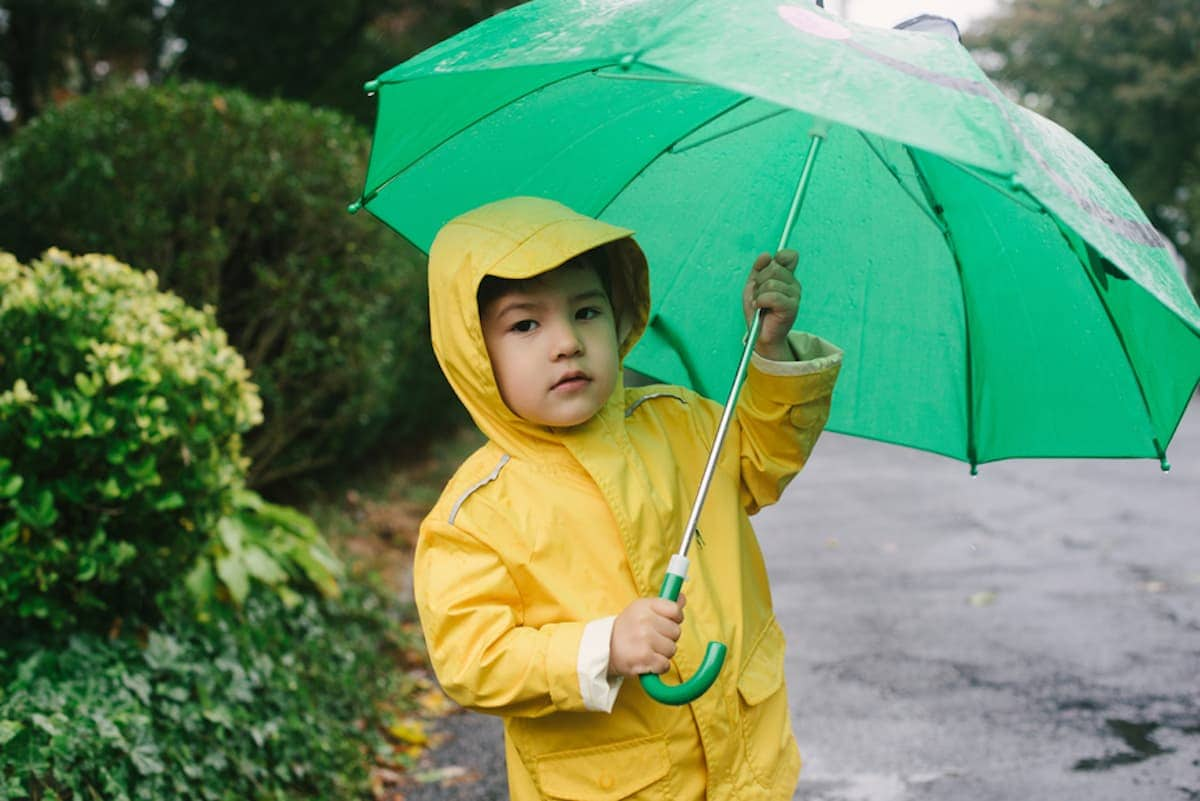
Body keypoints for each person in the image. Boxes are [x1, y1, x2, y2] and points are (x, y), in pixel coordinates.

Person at [414, 196, 842, 800]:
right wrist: (601, 647)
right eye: (525, 324)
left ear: (620, 320)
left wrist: (768, 350)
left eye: (586, 311)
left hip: (747, 771)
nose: (566, 342)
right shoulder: (479, 513)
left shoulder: (681, 423)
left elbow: (759, 462)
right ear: (475, 354)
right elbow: (472, 658)